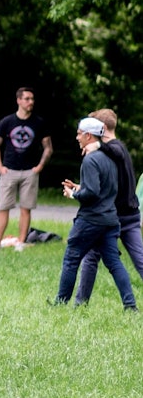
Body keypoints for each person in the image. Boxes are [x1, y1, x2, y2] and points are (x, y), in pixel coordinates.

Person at [52, 118, 136, 310]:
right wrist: (81, 187)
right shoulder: (109, 159)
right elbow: (104, 189)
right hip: (110, 220)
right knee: (114, 263)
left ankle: (60, 303)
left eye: (79, 133)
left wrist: (73, 194)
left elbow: (91, 194)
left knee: (71, 259)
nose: (77, 137)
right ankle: (130, 306)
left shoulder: (90, 160)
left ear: (88, 135)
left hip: (90, 220)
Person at [75, 108, 143, 303]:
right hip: (123, 215)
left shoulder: (115, 148)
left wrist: (97, 146)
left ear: (102, 128)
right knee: (92, 257)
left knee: (136, 260)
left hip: (117, 217)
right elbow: (108, 185)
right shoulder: (113, 151)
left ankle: (80, 302)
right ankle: (81, 302)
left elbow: (112, 150)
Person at [0, 87, 53, 251]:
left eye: (32, 99)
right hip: (8, 170)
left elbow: (48, 147)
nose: (30, 102)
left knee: (26, 208)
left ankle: (21, 242)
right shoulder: (7, 122)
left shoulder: (39, 123)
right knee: (3, 207)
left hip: (29, 172)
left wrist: (39, 166)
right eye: (27, 99)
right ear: (18, 100)